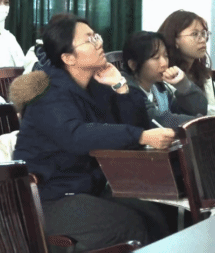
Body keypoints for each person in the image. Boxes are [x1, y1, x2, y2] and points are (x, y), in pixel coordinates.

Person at [13, 15, 176, 250]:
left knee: (155, 214)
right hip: (48, 198)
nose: (99, 43)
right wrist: (139, 135)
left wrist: (120, 86)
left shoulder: (95, 86)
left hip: (87, 188)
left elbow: (133, 125)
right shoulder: (48, 92)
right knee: (129, 225)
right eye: (89, 40)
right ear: (68, 57)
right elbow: (77, 135)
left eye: (96, 36)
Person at [121, 31, 207, 128]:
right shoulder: (126, 90)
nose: (164, 64)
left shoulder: (158, 88)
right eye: (156, 57)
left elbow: (198, 110)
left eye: (165, 56)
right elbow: (158, 120)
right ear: (133, 65)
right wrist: (198, 122)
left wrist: (183, 85)